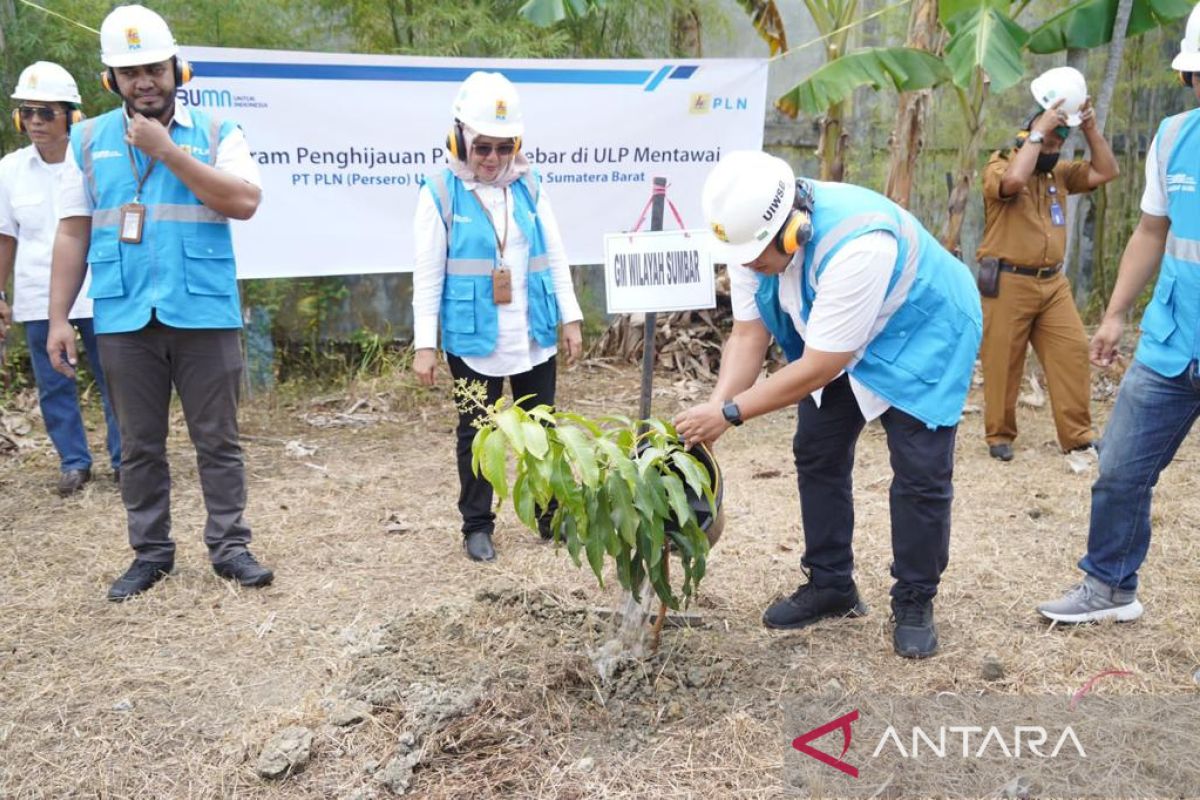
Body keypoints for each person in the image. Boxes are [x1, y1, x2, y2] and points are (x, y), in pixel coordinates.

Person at [674, 151, 981, 659]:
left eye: (758, 258)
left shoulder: (861, 245)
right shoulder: (749, 236)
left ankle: (914, 598)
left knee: (920, 473)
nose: (750, 268)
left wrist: (732, 414)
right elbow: (749, 335)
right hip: (837, 336)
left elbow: (821, 366)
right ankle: (831, 583)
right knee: (816, 448)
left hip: (922, 331)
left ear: (793, 232)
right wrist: (716, 409)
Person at [47, 4, 272, 601]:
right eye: (129, 73)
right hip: (123, 314)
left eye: (153, 68)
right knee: (140, 446)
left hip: (204, 310)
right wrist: (58, 318)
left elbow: (244, 202)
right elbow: (72, 232)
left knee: (217, 440)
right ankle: (151, 554)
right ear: (110, 81)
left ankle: (230, 549)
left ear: (178, 68)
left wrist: (168, 150)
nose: (143, 81)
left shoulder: (221, 131)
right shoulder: (88, 140)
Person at [1037, 3, 1200, 624]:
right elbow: (1151, 232)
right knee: (1120, 470)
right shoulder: (1173, 137)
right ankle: (1110, 586)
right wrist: (1113, 315)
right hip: (1169, 342)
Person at [411, 71, 584, 563]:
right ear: (460, 139)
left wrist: (569, 317)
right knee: (476, 433)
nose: (492, 159)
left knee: (542, 428)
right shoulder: (439, 192)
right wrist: (426, 343)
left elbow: (555, 253)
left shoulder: (530, 186)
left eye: (503, 148)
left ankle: (551, 514)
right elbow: (427, 275)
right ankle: (477, 525)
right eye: (482, 147)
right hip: (473, 336)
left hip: (531, 331)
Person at [976, 66, 1119, 466]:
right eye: (1053, 136)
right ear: (1031, 132)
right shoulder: (1001, 164)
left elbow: (1107, 171)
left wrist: (1088, 128)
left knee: (1072, 351)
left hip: (1053, 283)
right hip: (1008, 280)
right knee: (1003, 361)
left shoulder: (1060, 173)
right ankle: (999, 435)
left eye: (1061, 138)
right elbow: (1014, 183)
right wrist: (1040, 132)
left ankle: (1077, 436)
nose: (1057, 144)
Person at [0, 61, 120, 496]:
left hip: (100, 290)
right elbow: (4, 238)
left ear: (73, 115)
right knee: (54, 386)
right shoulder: (9, 169)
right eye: (28, 112)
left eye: (46, 112)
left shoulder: (94, 160)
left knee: (117, 382)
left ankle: (126, 462)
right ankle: (74, 463)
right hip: (37, 296)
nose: (35, 121)